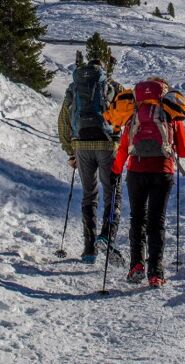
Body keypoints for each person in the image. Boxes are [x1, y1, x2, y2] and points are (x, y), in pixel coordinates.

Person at [112, 77, 185, 287]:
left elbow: (123, 145)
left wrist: (116, 169)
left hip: (136, 170)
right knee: (157, 222)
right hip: (162, 170)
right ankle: (156, 273)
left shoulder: (135, 112)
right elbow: (184, 151)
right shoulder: (171, 112)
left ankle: (136, 265)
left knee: (137, 219)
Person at [58, 54, 123, 264]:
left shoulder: (74, 87)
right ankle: (106, 235)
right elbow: (126, 114)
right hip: (107, 144)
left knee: (89, 195)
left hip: (82, 145)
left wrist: (71, 151)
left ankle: (89, 249)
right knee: (112, 193)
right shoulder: (112, 86)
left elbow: (64, 119)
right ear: (102, 71)